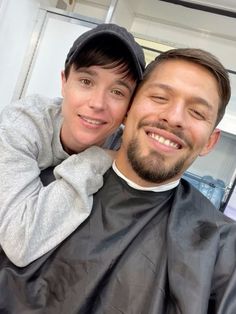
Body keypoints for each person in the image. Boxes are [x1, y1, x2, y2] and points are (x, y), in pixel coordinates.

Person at [1, 48, 236, 314]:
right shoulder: (41, 188)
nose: (174, 118)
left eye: (196, 112)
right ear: (127, 110)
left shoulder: (223, 247)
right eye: (160, 97)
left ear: (210, 141)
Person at [0, 23, 145, 267]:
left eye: (118, 92)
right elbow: (20, 240)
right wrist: (97, 158)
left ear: (130, 106)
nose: (98, 103)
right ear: (64, 82)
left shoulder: (127, 148)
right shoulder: (23, 124)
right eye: (87, 81)